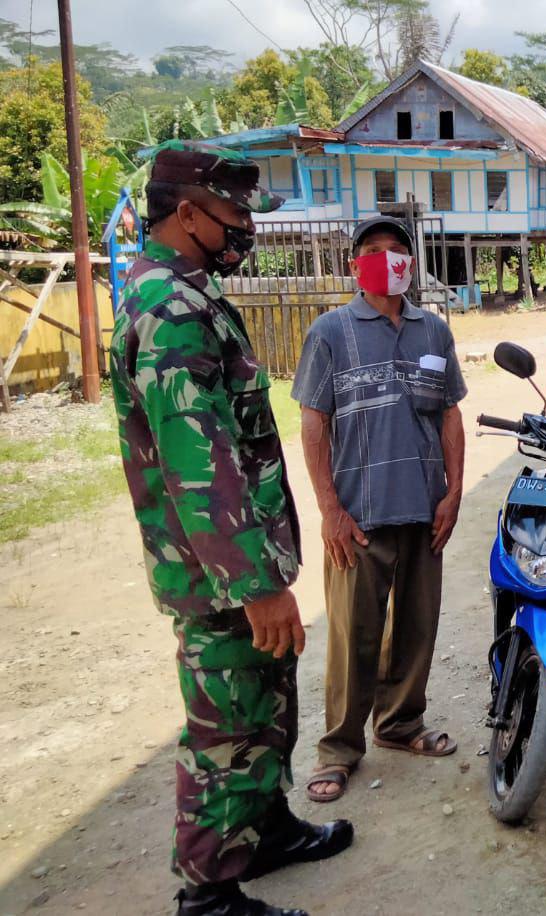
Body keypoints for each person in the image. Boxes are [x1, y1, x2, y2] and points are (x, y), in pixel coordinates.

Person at [110, 141, 352, 916]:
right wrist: (256, 586)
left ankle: (265, 831)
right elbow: (197, 464)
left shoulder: (188, 291)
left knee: (266, 705)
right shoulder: (171, 310)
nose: (245, 227)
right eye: (234, 213)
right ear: (185, 213)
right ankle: (210, 892)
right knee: (227, 727)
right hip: (221, 578)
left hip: (239, 564)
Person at [292, 216, 467, 803]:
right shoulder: (330, 332)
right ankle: (338, 749)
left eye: (397, 251)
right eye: (373, 251)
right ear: (354, 265)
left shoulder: (433, 332)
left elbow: (449, 414)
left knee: (417, 627)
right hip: (357, 517)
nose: (386, 259)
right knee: (352, 637)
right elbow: (313, 422)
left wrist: (455, 489)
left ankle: (399, 724)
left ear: (411, 264)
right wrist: (328, 509)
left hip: (423, 509)